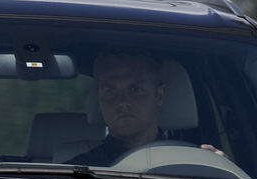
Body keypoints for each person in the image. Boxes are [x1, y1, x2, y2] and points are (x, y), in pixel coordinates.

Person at [68, 52, 223, 167]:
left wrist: (221, 173)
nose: (123, 102)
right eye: (110, 92)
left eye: (135, 89)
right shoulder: (75, 174)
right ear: (99, 102)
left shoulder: (194, 165)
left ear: (159, 95)